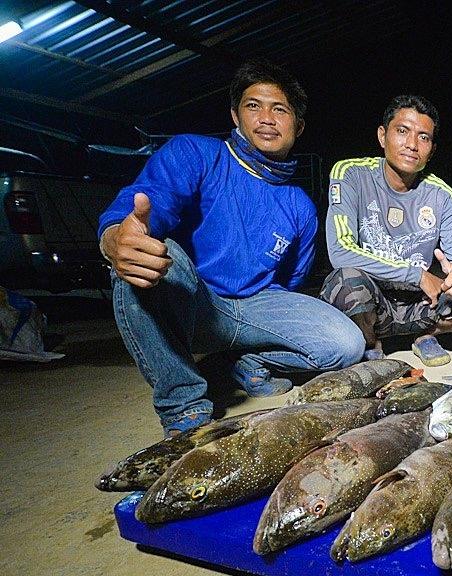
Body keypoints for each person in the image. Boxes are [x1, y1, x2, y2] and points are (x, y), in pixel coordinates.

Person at [97, 59, 365, 436]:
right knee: (153, 253)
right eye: (254, 106)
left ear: (298, 126)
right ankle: (183, 404)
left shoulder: (300, 205)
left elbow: (290, 281)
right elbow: (147, 205)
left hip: (256, 305)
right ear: (235, 116)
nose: (267, 118)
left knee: (346, 344)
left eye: (280, 109)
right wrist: (115, 238)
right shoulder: (196, 153)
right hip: (195, 303)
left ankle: (246, 360)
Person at [320, 95, 452, 367]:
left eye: (424, 137)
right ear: (382, 135)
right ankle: (369, 344)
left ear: (431, 149)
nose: (412, 144)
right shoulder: (351, 173)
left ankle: (426, 336)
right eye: (402, 131)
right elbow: (340, 251)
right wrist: (417, 275)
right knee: (346, 281)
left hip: (421, 306)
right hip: (372, 301)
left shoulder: (441, 194)